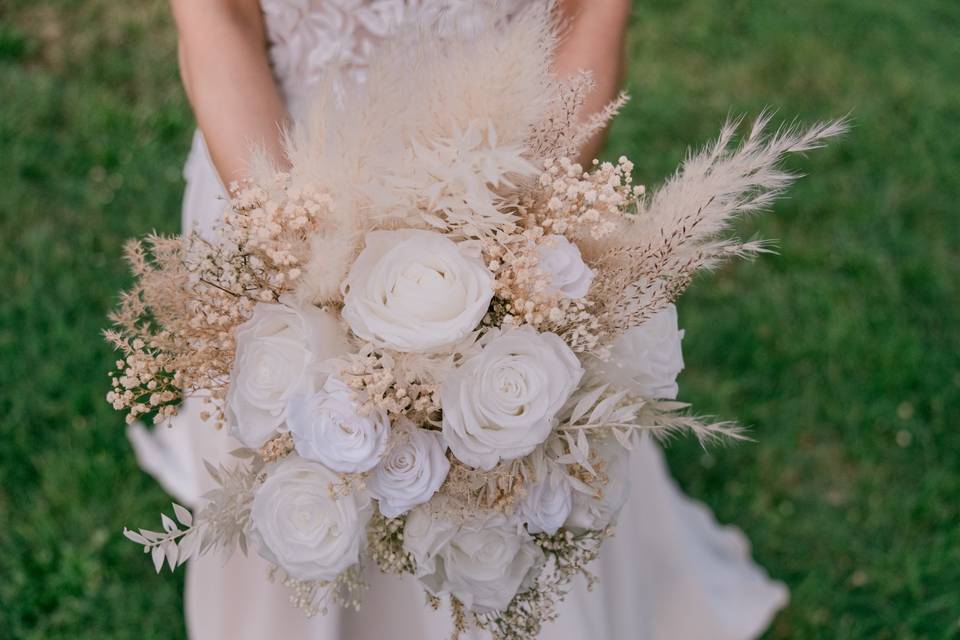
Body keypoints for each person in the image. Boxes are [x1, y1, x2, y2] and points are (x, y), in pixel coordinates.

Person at [129, 1, 788, 638]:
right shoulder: (276, 220)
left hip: (515, 171)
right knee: (300, 496)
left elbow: (592, 10)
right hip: (268, 168)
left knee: (513, 465)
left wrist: (504, 252)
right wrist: (295, 249)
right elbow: (217, 16)